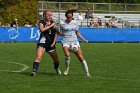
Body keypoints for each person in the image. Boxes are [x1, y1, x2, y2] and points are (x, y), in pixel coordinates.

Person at [59, 10, 91, 76]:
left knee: (81, 57)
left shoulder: (75, 22)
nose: (69, 18)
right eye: (68, 17)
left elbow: (77, 32)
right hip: (65, 42)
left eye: (70, 17)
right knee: (67, 55)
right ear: (66, 16)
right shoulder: (62, 23)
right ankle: (67, 68)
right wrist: (62, 34)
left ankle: (87, 73)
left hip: (74, 42)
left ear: (72, 16)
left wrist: (83, 39)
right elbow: (59, 32)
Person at [31, 10, 61, 76]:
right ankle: (34, 71)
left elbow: (57, 33)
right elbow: (42, 30)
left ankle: (56, 68)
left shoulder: (54, 23)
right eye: (48, 15)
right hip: (43, 42)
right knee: (38, 57)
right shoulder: (42, 22)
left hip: (51, 43)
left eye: (51, 15)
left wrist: (54, 42)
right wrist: (50, 26)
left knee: (56, 60)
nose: (50, 16)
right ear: (44, 15)